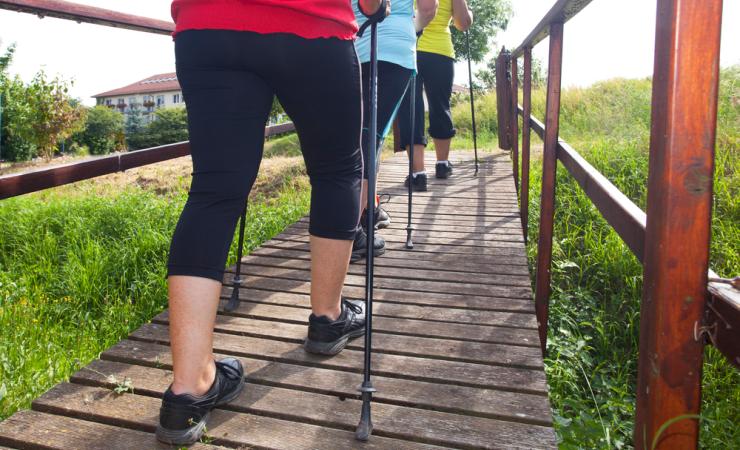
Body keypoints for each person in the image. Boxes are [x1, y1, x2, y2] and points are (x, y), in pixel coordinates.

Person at [158, 0, 385, 445]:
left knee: (213, 193)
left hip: (208, 24)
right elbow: (371, 4)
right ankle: (328, 318)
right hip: (313, 27)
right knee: (338, 170)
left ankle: (187, 390)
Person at [351, 0, 438, 261]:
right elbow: (427, 8)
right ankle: (351, 231)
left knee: (361, 133)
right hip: (394, 50)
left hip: (350, 45)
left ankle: (368, 211)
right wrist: (412, 27)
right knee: (371, 137)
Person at [398, 0, 472, 191]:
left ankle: (418, 174)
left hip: (410, 47)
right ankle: (442, 164)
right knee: (441, 106)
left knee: (411, 109)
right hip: (441, 53)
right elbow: (463, 23)